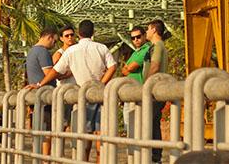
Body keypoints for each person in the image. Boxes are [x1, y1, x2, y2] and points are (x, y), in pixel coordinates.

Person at [32, 20, 117, 161]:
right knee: (100, 132)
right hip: (100, 94)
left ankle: (81, 160)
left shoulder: (71, 51)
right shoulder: (101, 48)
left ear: (78, 34)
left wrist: (40, 84)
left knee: (82, 133)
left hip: (80, 96)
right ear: (93, 32)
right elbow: (112, 67)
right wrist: (102, 83)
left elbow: (55, 70)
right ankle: (99, 161)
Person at [24, 28, 59, 156]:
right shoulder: (43, 52)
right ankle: (45, 159)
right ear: (49, 37)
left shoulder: (32, 51)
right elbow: (49, 73)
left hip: (36, 97)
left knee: (40, 130)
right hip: (46, 96)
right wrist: (63, 73)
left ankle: (39, 157)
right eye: (54, 41)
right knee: (47, 131)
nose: (54, 45)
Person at [143, 19, 168, 164]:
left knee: (151, 123)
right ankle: (155, 156)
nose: (146, 32)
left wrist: (145, 85)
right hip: (153, 90)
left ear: (153, 30)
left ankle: (155, 157)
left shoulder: (158, 46)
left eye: (147, 29)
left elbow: (155, 66)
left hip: (154, 90)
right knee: (153, 123)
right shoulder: (155, 46)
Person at [121, 26, 150, 132]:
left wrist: (127, 68)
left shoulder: (147, 50)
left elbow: (129, 67)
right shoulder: (135, 52)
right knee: (128, 123)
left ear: (144, 36)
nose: (135, 40)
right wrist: (127, 69)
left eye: (138, 37)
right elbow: (124, 69)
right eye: (133, 38)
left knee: (136, 124)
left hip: (138, 91)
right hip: (130, 91)